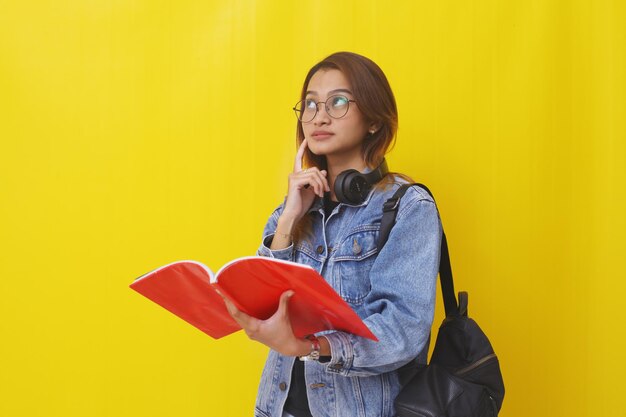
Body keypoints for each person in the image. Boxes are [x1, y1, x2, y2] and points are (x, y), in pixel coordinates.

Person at [219, 51, 443, 417]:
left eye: (338, 102)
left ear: (373, 120)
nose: (319, 116)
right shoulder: (295, 206)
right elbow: (262, 301)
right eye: (310, 104)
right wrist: (290, 217)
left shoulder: (406, 207)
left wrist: (310, 346)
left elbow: (402, 329)